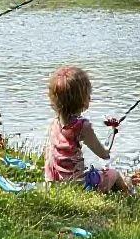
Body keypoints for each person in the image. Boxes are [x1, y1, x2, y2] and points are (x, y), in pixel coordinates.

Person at [43, 66, 130, 194]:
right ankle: (129, 197)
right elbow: (104, 154)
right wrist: (112, 132)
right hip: (77, 185)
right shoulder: (82, 127)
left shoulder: (54, 124)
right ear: (84, 100)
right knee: (115, 174)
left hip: (53, 182)